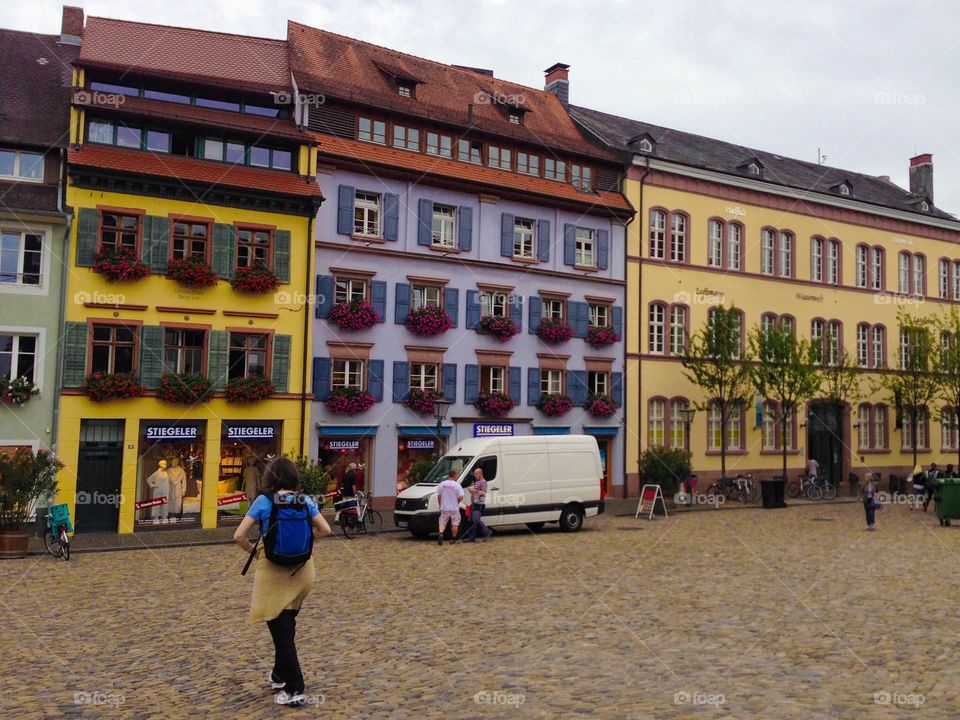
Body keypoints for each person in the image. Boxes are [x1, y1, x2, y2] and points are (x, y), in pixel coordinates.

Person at [234, 457, 331, 707]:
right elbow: (326, 530)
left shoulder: (264, 501)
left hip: (274, 572)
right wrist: (309, 544)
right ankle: (279, 675)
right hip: (303, 571)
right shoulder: (304, 500)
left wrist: (256, 553)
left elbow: (239, 535)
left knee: (281, 631)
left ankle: (295, 689)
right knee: (286, 625)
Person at [462, 467, 493, 542]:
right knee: (471, 521)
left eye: (476, 474)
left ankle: (487, 532)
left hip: (478, 504)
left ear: (480, 474)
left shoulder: (483, 482)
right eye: (474, 473)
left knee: (476, 520)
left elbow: (483, 493)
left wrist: (473, 491)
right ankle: (471, 537)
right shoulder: (477, 482)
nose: (475, 475)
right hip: (473, 503)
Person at [436, 470, 464, 546]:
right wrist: (457, 501)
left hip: (444, 507)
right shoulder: (457, 485)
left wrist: (440, 505)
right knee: (455, 523)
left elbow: (439, 496)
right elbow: (461, 497)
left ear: (449, 475)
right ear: (454, 475)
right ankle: (453, 539)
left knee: (442, 522)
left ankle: (441, 533)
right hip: (454, 507)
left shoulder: (442, 484)